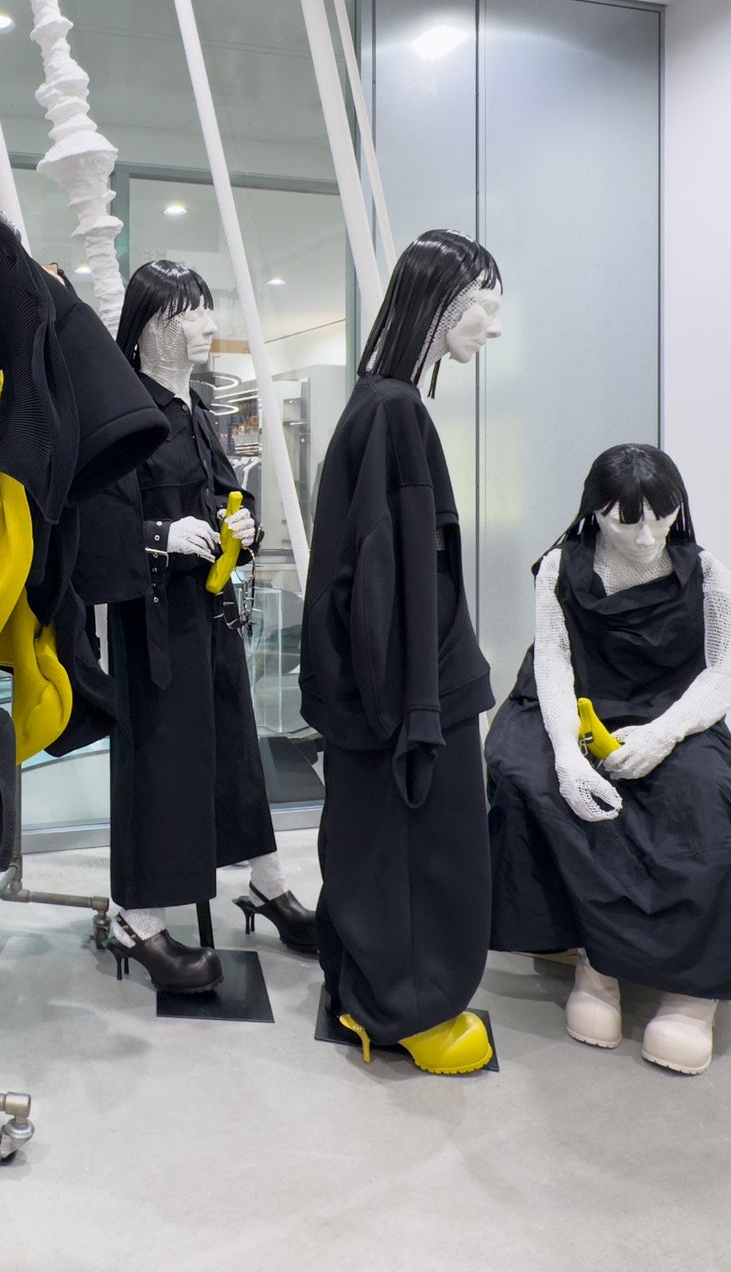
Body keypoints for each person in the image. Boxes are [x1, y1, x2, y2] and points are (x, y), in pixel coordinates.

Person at [485, 444, 731, 1074]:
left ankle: (694, 988)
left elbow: (727, 672)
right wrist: (567, 755)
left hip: (669, 712)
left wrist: (663, 735)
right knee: (531, 779)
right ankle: (593, 958)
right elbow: (552, 661)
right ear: (594, 512)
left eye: (662, 516)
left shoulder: (711, 576)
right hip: (576, 705)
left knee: (703, 796)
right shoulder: (560, 568)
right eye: (628, 521)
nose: (648, 536)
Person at [77, 260, 317, 994]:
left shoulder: (199, 410)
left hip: (210, 614)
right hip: (152, 622)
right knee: (161, 761)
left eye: (207, 310)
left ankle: (266, 882)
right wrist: (157, 535)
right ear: (152, 325)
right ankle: (138, 916)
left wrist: (239, 521)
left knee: (234, 749)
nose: (208, 326)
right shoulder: (120, 411)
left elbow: (220, 494)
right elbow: (88, 522)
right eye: (189, 312)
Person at [300, 230, 504, 1074]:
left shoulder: (374, 402)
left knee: (372, 845)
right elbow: (395, 579)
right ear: (444, 303)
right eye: (485, 306)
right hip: (410, 692)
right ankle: (410, 1012)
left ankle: (365, 990)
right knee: (429, 853)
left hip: (386, 688)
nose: (493, 326)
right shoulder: (395, 412)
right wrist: (414, 711)